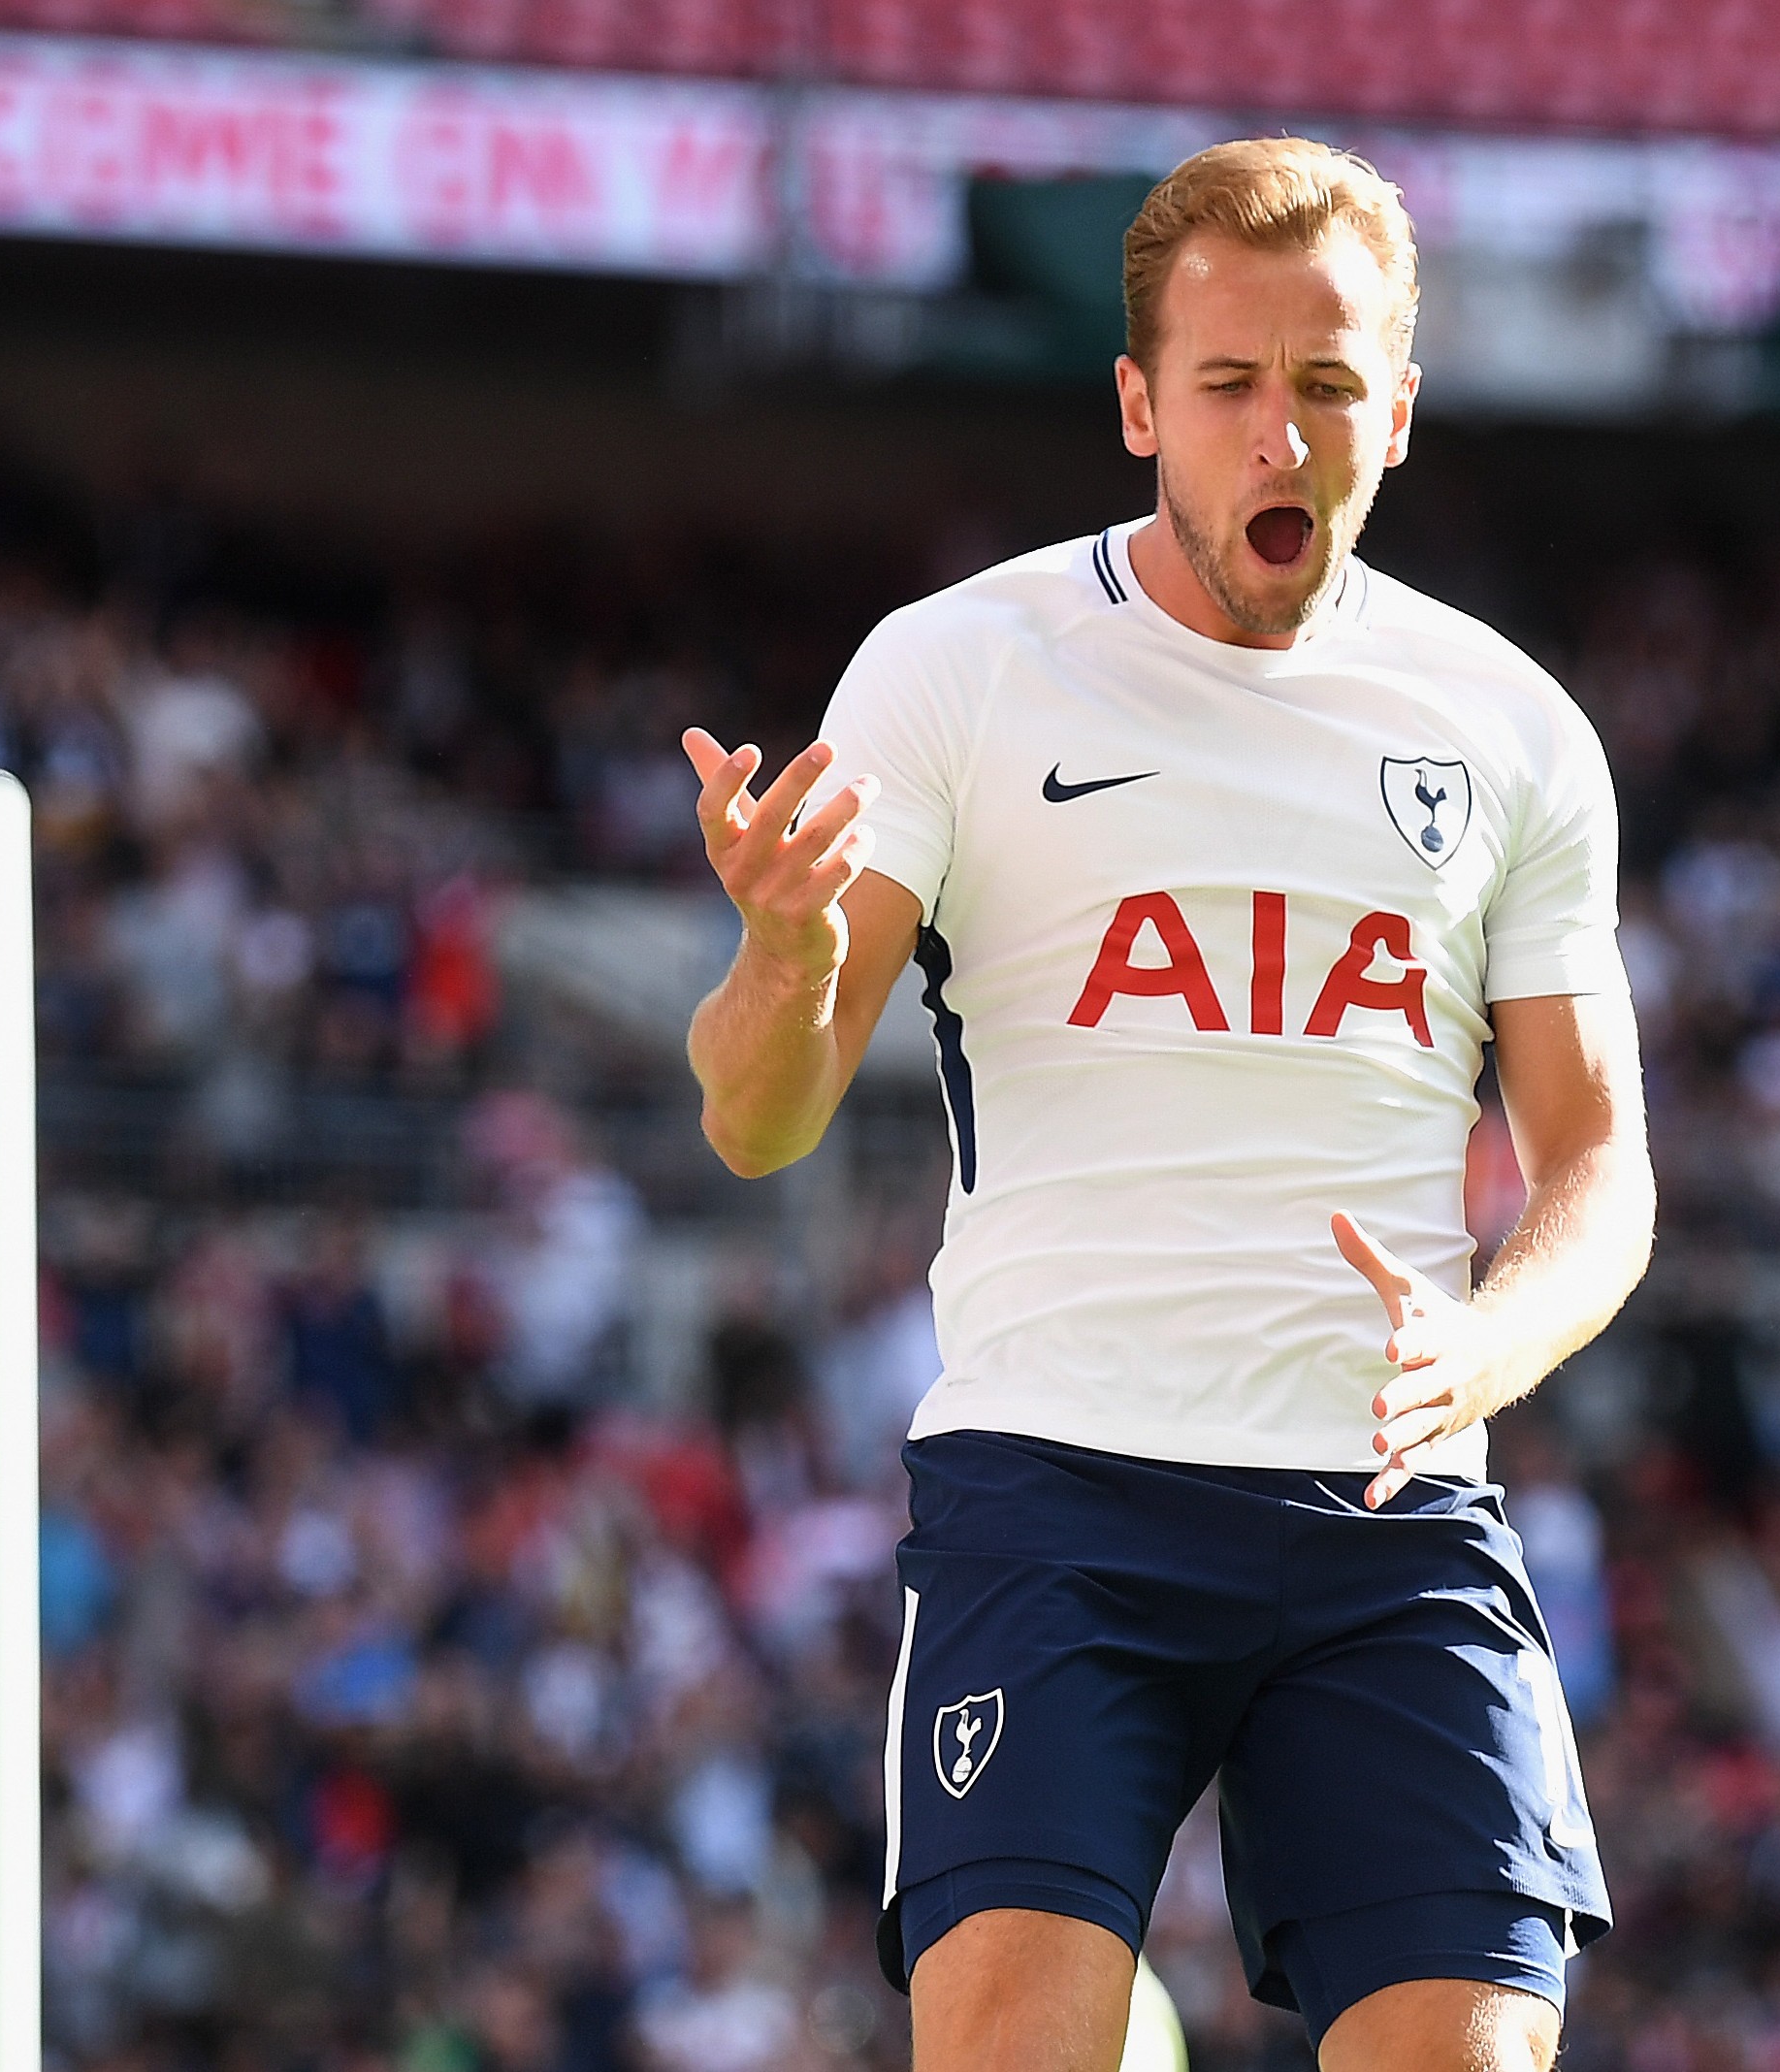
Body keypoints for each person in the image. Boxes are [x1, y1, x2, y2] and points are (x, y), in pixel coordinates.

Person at [677, 138, 1652, 2072]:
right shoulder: (960, 674)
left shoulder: (1515, 729)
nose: (1278, 439)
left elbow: (1599, 1164)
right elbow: (754, 1125)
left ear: (1400, 406)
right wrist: (786, 962)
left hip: (1386, 1508)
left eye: (1326, 384)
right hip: (1060, 1491)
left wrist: (1491, 1336)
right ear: (1138, 404)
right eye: (1226, 387)